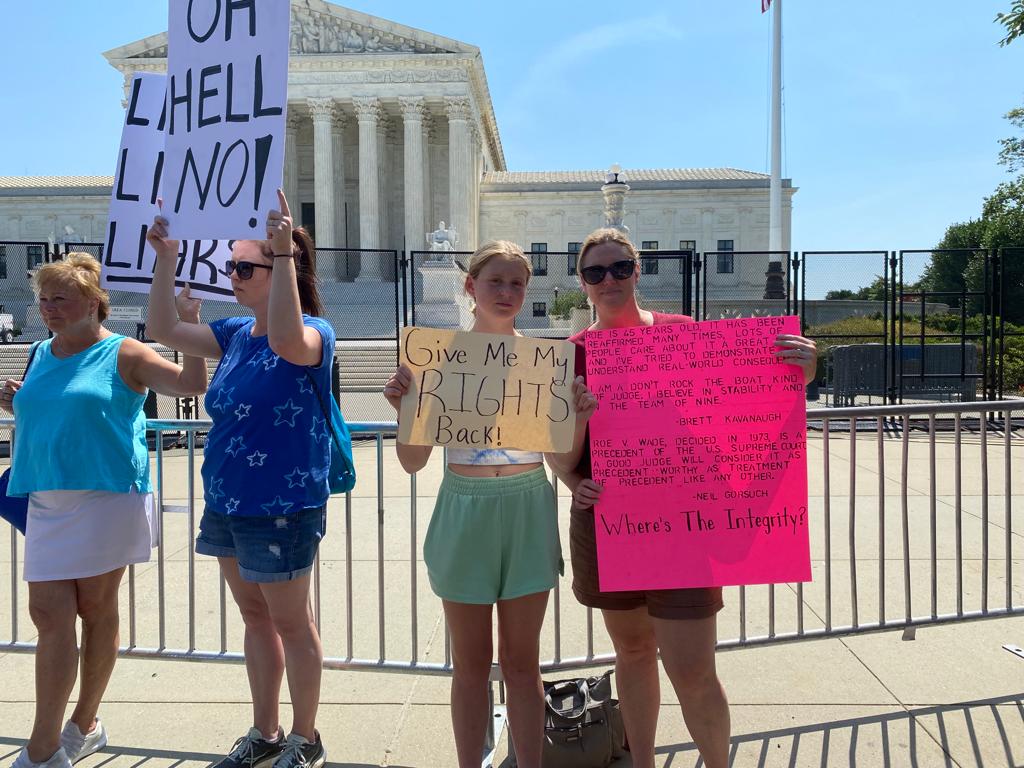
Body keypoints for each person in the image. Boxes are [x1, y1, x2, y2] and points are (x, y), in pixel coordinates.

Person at [548, 228, 818, 768]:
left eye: (619, 268)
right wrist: (577, 482)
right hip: (609, 522)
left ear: (638, 271)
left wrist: (801, 374)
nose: (609, 280)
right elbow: (559, 452)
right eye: (596, 272)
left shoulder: (684, 334)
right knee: (633, 651)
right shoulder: (570, 355)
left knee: (693, 670)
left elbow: (746, 405)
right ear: (582, 282)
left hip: (682, 524)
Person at [383, 241, 591, 768]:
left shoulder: (545, 361)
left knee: (523, 664)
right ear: (470, 287)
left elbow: (561, 460)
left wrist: (580, 415)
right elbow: (412, 462)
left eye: (517, 283)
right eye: (495, 281)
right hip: (464, 506)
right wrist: (403, 407)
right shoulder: (437, 359)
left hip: (526, 505)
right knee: (470, 664)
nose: (506, 292)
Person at [145, 190, 333, 768]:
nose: (232, 276)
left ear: (282, 269)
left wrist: (279, 255)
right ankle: (265, 730)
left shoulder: (315, 333)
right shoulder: (232, 333)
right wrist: (166, 258)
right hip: (228, 499)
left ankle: (305, 738)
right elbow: (163, 327)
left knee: (290, 622)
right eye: (230, 266)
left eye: (242, 267)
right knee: (256, 619)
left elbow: (284, 338)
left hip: (281, 502)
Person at [1, 254, 208, 768]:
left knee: (94, 613)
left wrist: (191, 324)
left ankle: (77, 726)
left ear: (93, 302)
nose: (48, 308)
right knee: (49, 615)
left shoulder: (125, 352)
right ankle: (48, 743)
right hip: (47, 498)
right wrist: (16, 403)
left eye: (60, 298)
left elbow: (191, 386)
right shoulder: (37, 353)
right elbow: (57, 409)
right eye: (43, 298)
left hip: (107, 496)